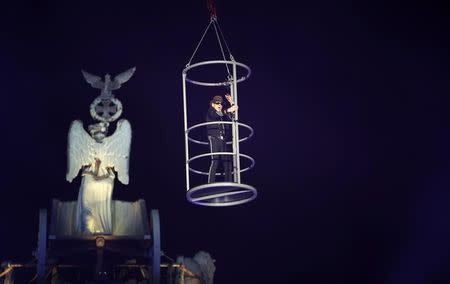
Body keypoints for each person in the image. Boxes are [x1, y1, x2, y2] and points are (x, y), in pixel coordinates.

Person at [205, 93, 238, 183]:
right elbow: (217, 114)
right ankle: (210, 183)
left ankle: (229, 182)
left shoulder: (222, 114)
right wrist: (227, 110)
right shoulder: (210, 111)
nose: (219, 105)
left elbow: (233, 113)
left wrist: (231, 102)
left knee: (227, 161)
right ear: (213, 104)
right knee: (215, 161)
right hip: (214, 138)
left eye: (220, 103)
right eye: (217, 103)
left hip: (223, 140)